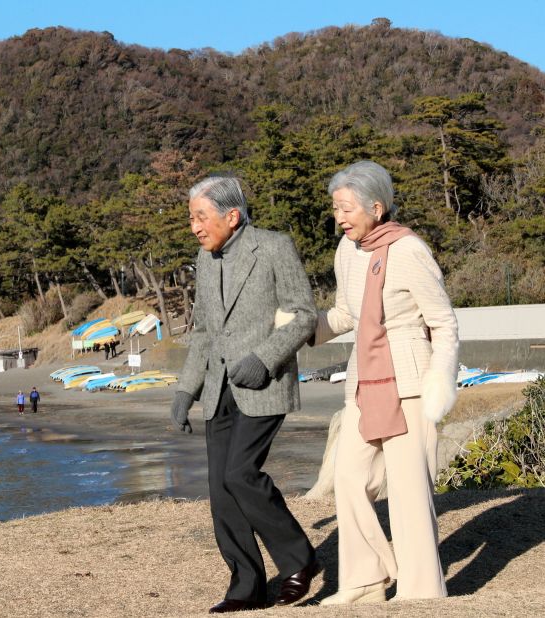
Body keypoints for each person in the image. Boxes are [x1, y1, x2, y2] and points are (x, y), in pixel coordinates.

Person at [311, 161, 458, 604]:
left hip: (410, 380)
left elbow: (444, 322)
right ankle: (364, 582)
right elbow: (345, 314)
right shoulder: (346, 251)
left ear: (377, 207)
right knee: (350, 478)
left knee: (410, 489)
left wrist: (440, 383)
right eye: (336, 208)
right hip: (364, 380)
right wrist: (297, 329)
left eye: (347, 208)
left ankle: (420, 591)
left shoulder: (410, 250)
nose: (340, 217)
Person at [172, 175, 320, 612]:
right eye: (192, 218)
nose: (195, 227)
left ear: (231, 216)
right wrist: (186, 389)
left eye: (201, 217)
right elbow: (202, 332)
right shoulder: (205, 258)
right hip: (217, 389)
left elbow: (304, 315)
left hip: (264, 384)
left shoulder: (274, 246)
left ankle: (298, 560)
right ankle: (246, 587)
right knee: (221, 490)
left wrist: (264, 358)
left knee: (239, 473)